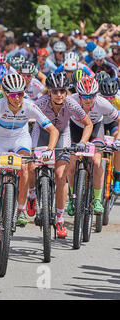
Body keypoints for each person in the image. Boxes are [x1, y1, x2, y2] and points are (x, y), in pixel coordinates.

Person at [0, 73, 59, 242]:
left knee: (25, 166)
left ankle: (21, 209)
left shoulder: (30, 106)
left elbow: (53, 130)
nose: (17, 99)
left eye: (21, 94)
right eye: (13, 94)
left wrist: (50, 149)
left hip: (20, 139)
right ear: (5, 94)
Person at [28, 73, 92, 238]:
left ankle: (59, 218)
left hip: (63, 134)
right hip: (41, 133)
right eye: (55, 91)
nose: (59, 94)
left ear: (66, 91)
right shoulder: (40, 103)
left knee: (60, 175)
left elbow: (88, 124)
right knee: (31, 166)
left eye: (62, 91)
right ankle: (33, 194)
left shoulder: (71, 103)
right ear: (49, 91)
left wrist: (83, 142)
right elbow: (24, 117)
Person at [67, 75, 120, 215]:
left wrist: (118, 139)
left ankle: (97, 199)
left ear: (96, 94)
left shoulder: (103, 103)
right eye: (84, 97)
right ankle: (72, 196)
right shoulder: (70, 101)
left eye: (92, 96)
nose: (89, 100)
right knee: (71, 163)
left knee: (97, 162)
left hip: (96, 128)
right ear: (79, 95)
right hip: (75, 128)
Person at [99, 78, 120, 194]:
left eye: (111, 97)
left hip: (113, 123)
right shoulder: (96, 99)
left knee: (118, 146)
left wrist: (118, 139)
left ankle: (118, 178)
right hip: (100, 123)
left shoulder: (118, 100)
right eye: (105, 97)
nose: (109, 100)